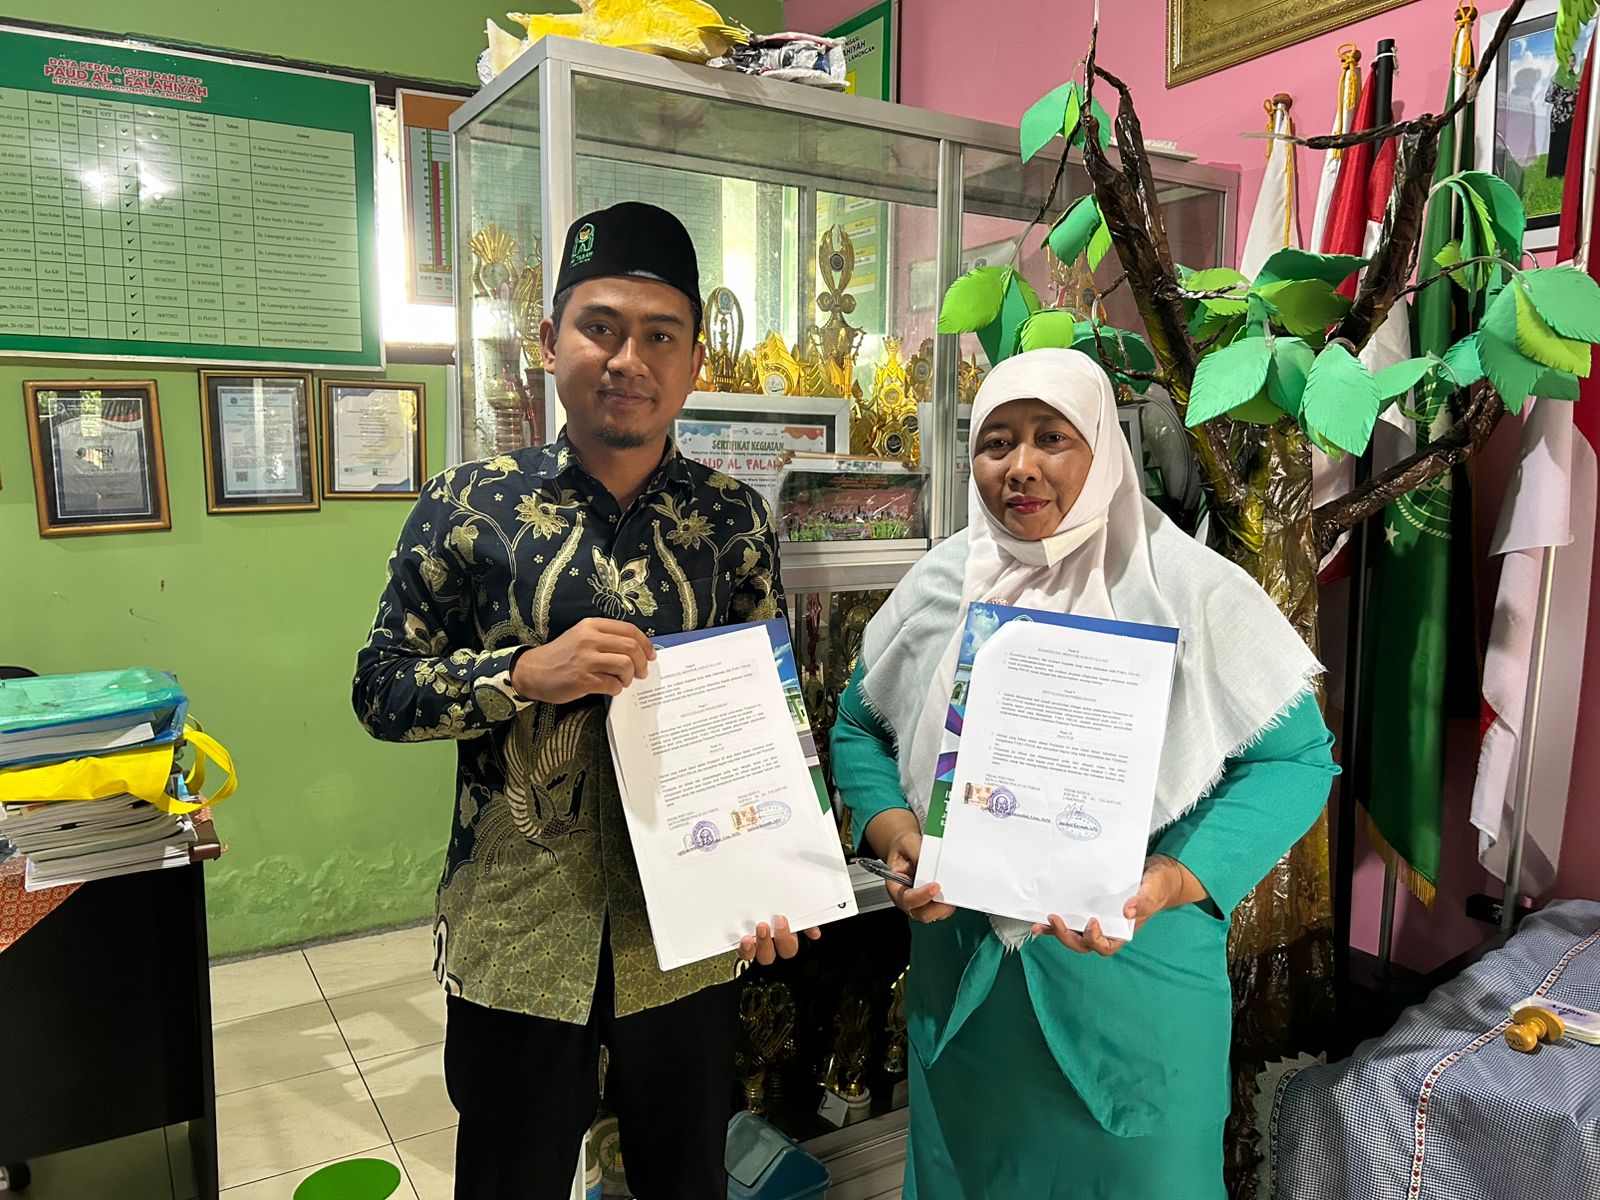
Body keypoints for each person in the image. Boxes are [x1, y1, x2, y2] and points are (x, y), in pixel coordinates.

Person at [353, 201, 816, 1200]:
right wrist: (519, 675)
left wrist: (778, 874)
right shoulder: (467, 504)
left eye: (660, 335)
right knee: (509, 1179)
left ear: (694, 362)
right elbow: (379, 688)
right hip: (520, 935)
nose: (627, 359)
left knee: (684, 1179)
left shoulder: (732, 518)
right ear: (549, 341)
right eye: (599, 327)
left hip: (686, 935)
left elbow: (771, 716)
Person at [829, 348, 1338, 1199]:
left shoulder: (1190, 591)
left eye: (1052, 438)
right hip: (967, 1006)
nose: (1020, 466)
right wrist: (898, 833)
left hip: (1132, 995)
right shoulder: (941, 584)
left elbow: (1294, 761)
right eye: (996, 442)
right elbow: (857, 728)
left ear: (1103, 449)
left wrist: (1174, 878)